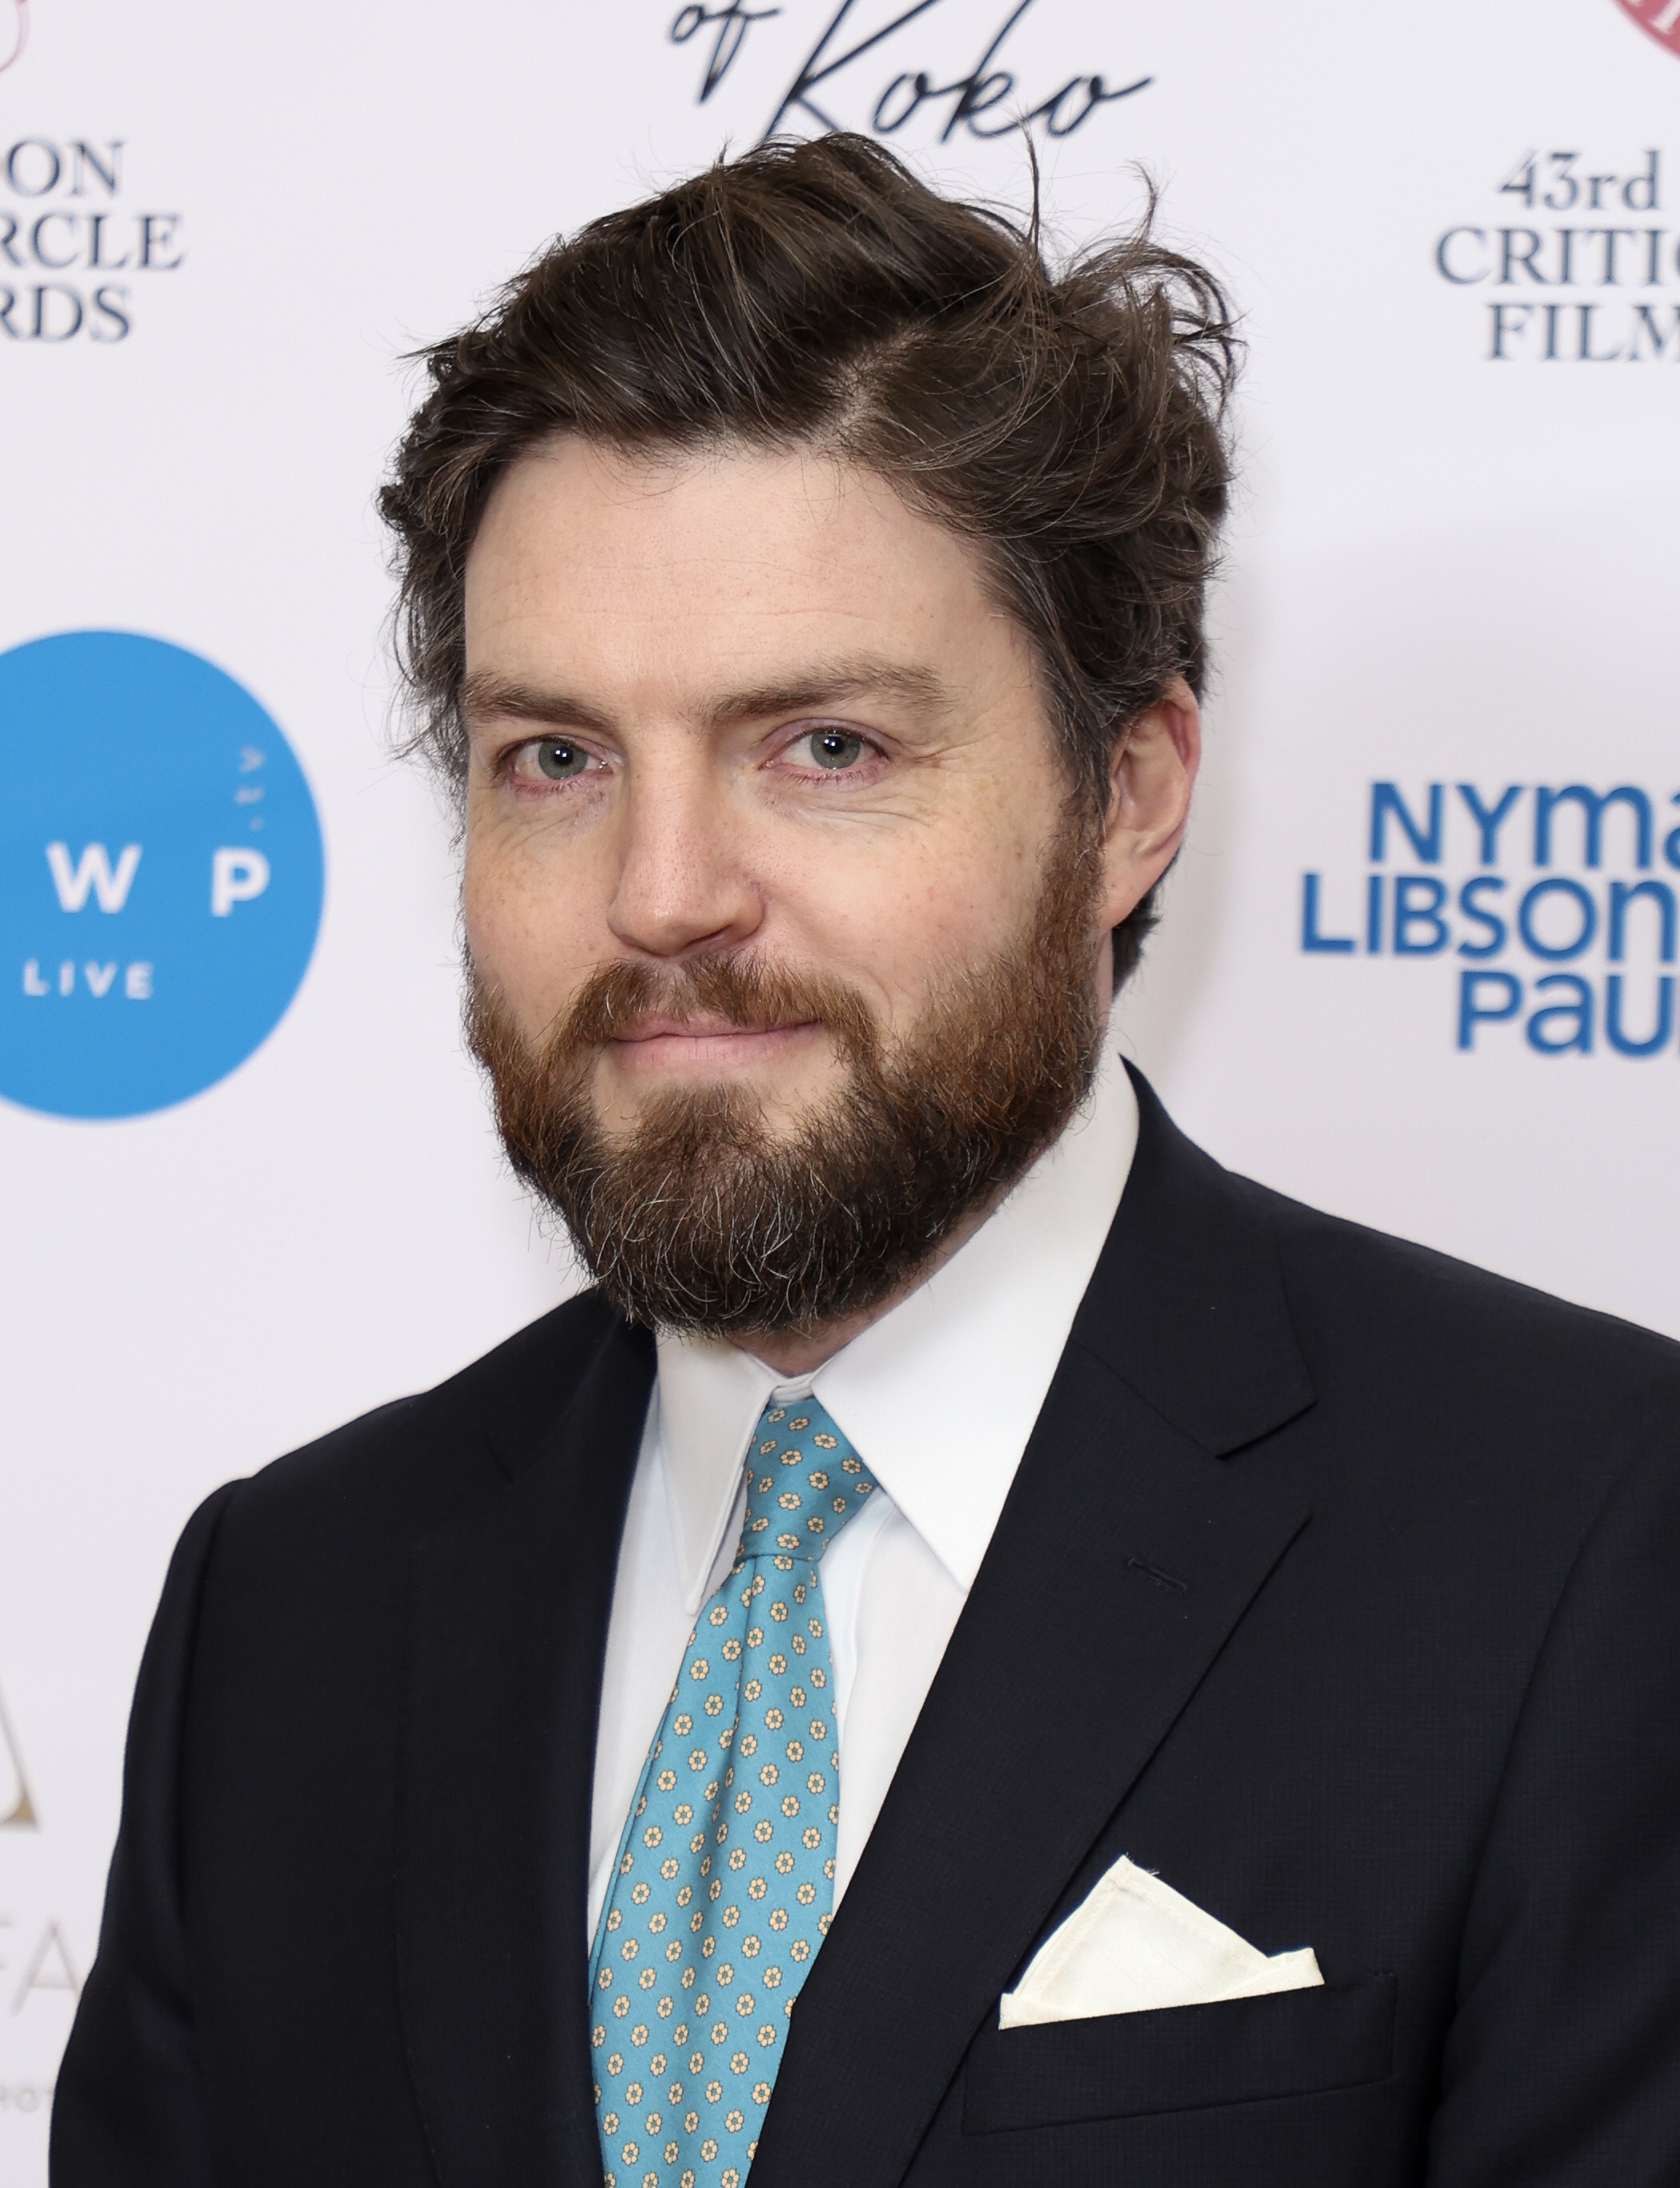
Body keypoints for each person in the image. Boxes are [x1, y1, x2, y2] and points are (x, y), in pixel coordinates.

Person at [51, 134, 1680, 2188]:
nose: (663, 895)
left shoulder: (1593, 1544)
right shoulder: (285, 1612)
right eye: (554, 758)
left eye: (825, 747)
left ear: (1129, 796)